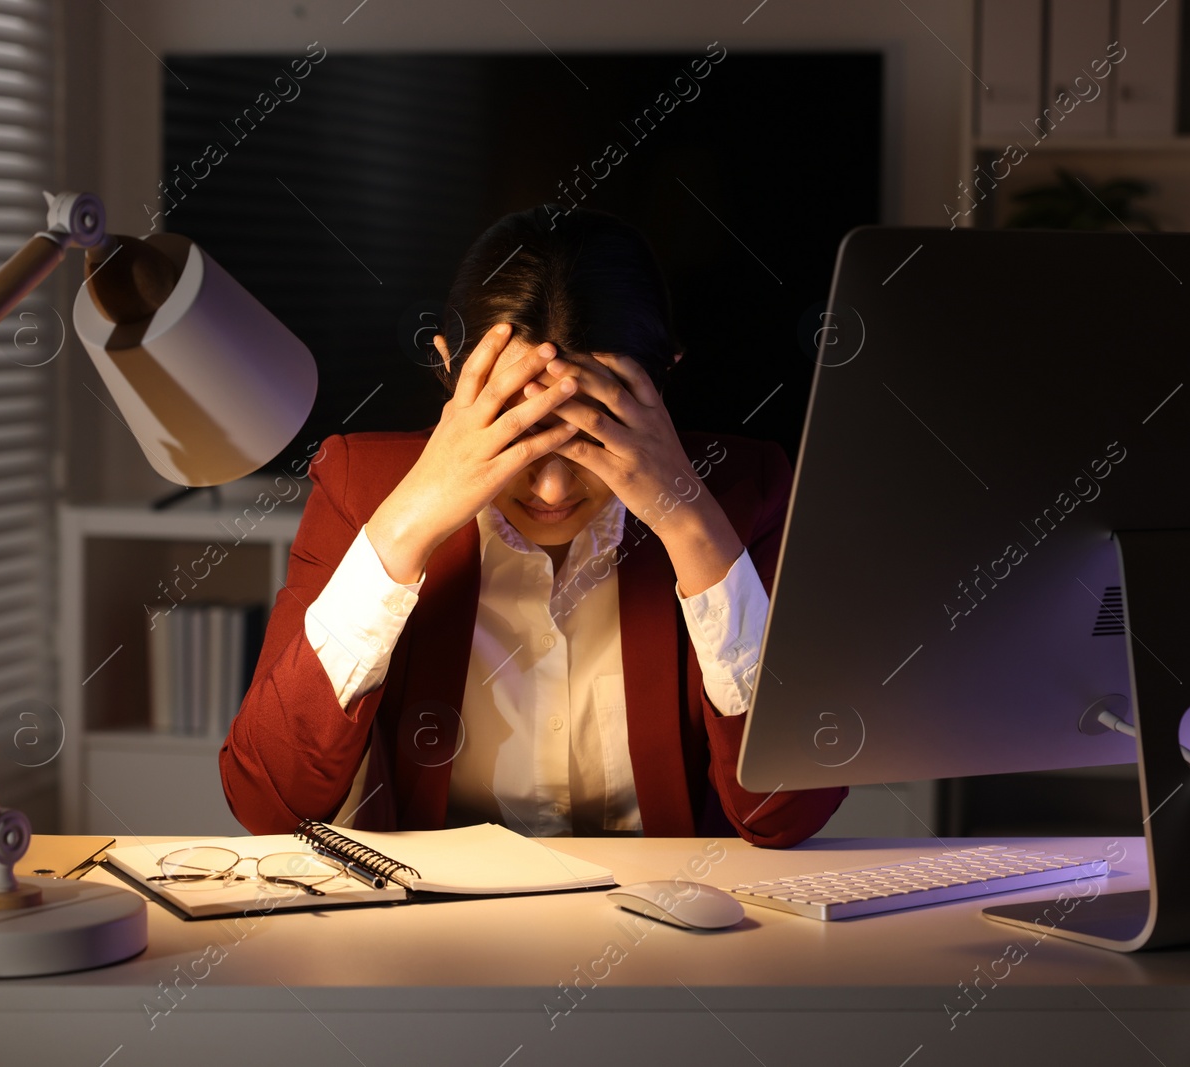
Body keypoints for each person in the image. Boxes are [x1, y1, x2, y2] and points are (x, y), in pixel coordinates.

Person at [220, 205, 845, 848]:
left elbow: (784, 815)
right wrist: (405, 529)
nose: (551, 490)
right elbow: (267, 803)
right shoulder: (365, 486)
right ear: (448, 372)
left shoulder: (743, 493)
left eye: (590, 434)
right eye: (517, 430)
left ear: (662, 381)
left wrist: (688, 524)